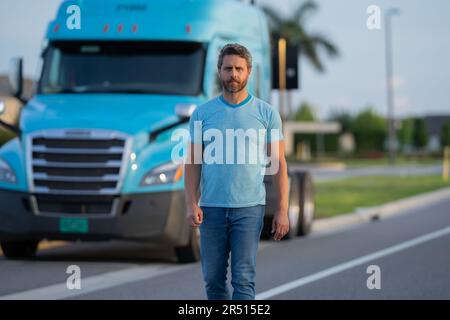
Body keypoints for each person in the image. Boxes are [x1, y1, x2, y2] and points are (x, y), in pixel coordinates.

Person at [184, 43, 289, 300]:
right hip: (211, 209)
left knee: (243, 280)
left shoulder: (267, 114)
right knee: (213, 281)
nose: (234, 74)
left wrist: (283, 210)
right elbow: (192, 162)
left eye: (239, 69)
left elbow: (279, 163)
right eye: (228, 68)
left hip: (249, 208)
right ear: (219, 71)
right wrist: (190, 202)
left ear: (248, 71)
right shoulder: (202, 114)